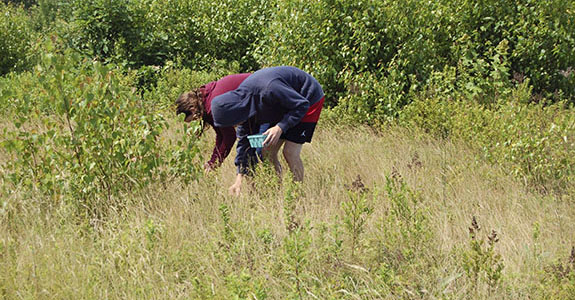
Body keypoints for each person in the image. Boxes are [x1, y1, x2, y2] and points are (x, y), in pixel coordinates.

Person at [211, 66, 325, 195]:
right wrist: (240, 177)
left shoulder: (268, 89)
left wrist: (280, 127)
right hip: (283, 105)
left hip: (307, 97)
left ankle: (296, 196)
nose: (236, 126)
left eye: (234, 123)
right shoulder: (242, 107)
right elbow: (244, 143)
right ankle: (276, 192)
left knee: (289, 152)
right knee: (267, 150)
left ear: (234, 114)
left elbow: (301, 104)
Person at [175, 73, 251, 172]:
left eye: (193, 119)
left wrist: (215, 163)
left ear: (192, 109)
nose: (195, 121)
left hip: (260, 93)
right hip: (249, 103)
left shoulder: (211, 107)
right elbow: (220, 134)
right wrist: (212, 161)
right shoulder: (204, 103)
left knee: (254, 152)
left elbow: (229, 136)